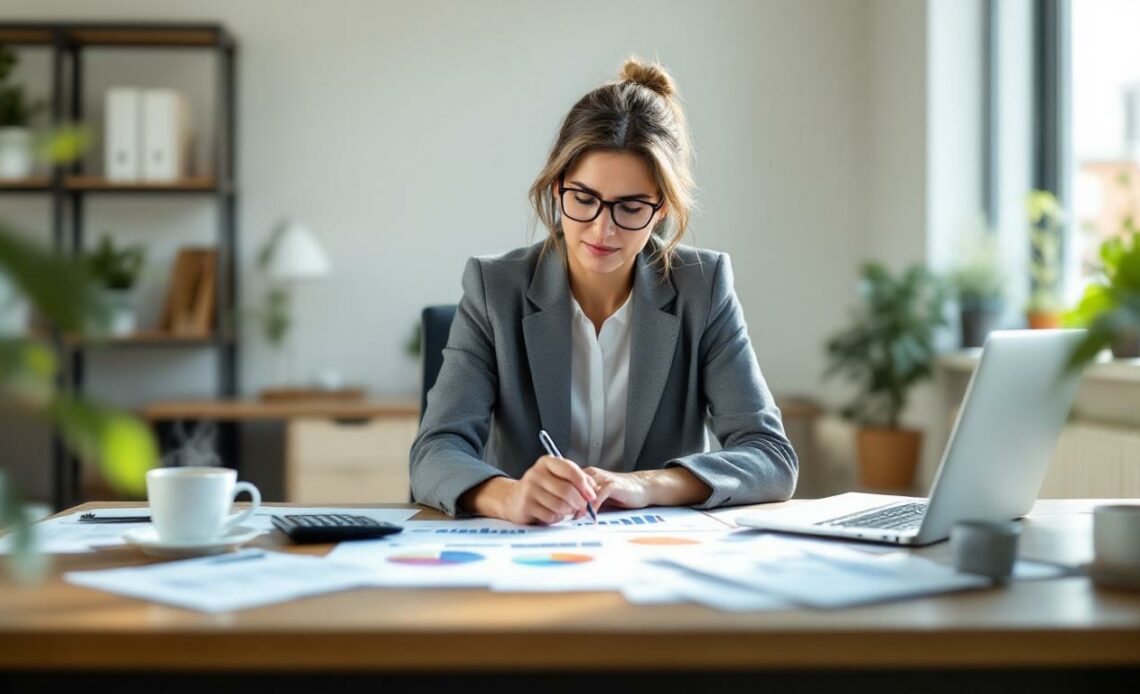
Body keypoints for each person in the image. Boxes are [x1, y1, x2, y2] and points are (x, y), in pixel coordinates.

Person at [410, 57, 797, 523]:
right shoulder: (495, 288)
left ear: (661, 209)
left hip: (656, 549)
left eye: (630, 207)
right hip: (529, 549)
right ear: (557, 188)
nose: (602, 229)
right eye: (584, 199)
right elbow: (434, 452)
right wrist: (507, 496)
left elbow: (771, 456)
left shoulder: (703, 287)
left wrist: (646, 485)